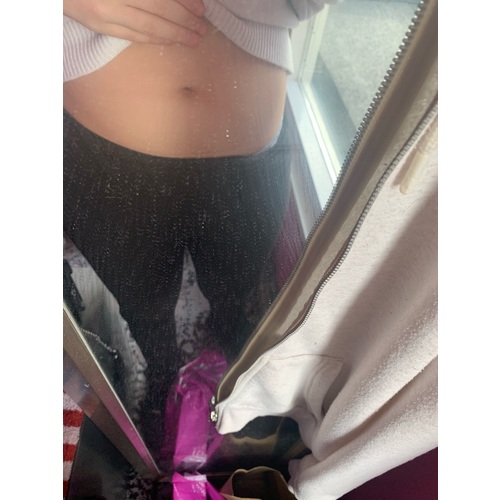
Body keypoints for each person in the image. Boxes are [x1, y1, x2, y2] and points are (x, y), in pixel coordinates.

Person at [63, 0, 337, 456]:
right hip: (103, 155)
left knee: (235, 288)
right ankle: (161, 374)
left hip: (248, 151)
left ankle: (230, 354)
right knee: (145, 303)